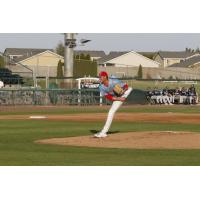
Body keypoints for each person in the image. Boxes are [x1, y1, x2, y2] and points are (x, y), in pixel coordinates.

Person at [94, 71, 133, 138]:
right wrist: (119, 99)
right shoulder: (101, 87)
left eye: (101, 77)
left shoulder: (113, 81)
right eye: (99, 77)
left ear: (105, 77)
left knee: (129, 89)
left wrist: (123, 91)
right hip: (118, 97)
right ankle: (103, 132)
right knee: (111, 112)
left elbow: (125, 85)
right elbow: (109, 97)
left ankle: (103, 132)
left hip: (125, 91)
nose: (99, 78)